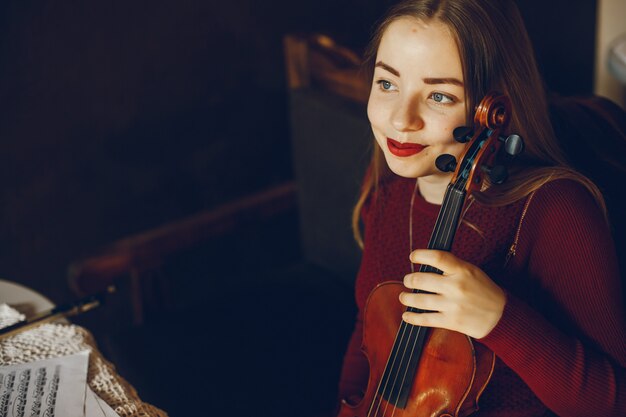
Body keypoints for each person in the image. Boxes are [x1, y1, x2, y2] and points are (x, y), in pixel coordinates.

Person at [336, 0, 626, 415]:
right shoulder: (385, 184)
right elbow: (367, 335)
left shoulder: (554, 210)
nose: (401, 119)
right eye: (387, 84)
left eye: (438, 95)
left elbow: (614, 404)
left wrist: (499, 318)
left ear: (494, 106)